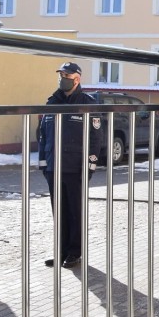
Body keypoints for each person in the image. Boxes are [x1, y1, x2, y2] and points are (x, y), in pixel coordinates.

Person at [38, 62, 103, 269]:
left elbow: (96, 139)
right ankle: (62, 251)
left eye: (66, 75)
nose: (62, 78)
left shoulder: (88, 104)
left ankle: (75, 253)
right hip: (53, 167)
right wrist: (43, 163)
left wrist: (90, 166)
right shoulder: (51, 102)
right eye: (61, 74)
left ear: (77, 79)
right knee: (59, 212)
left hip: (76, 169)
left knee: (75, 212)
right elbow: (42, 135)